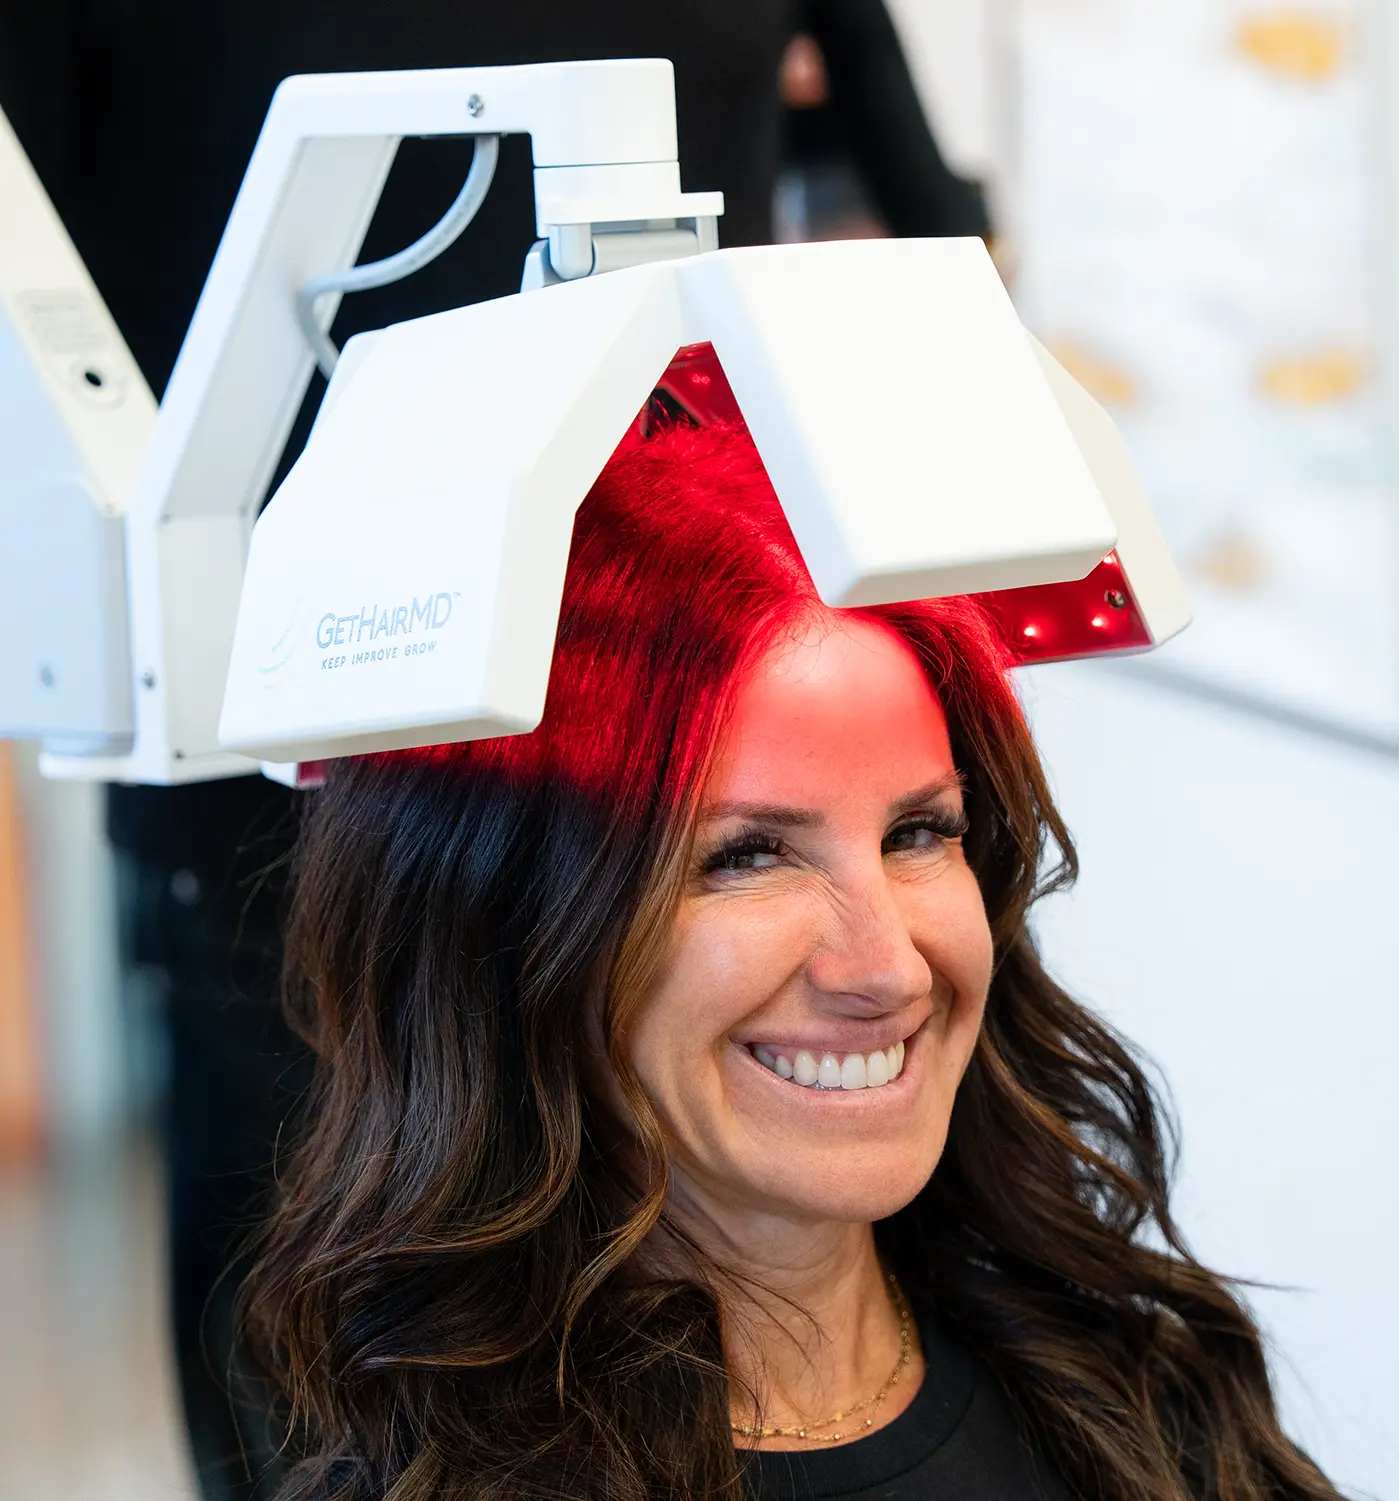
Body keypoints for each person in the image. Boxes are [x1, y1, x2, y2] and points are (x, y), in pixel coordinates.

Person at [0, 7, 991, 1497]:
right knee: (350, 1365)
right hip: (288, 794)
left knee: (769, 1299)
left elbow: (900, 191)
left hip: (716, 737)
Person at [241, 416, 1342, 1501]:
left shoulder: (1136, 1390)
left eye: (919, 832)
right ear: (506, 929)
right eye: (746, 856)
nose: (890, 969)